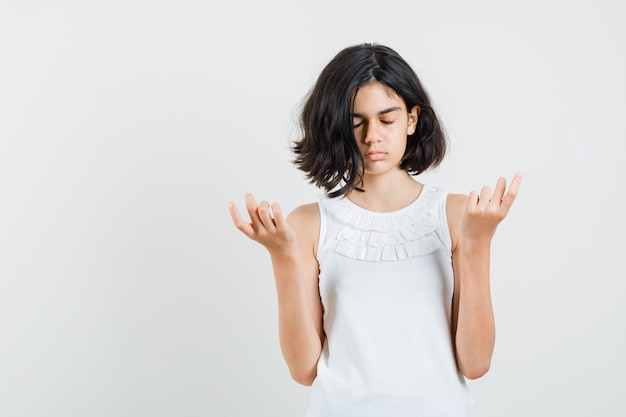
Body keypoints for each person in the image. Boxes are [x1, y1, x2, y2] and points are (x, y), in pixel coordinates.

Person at [229, 43, 521, 417]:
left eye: (387, 119)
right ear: (336, 124)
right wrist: (282, 256)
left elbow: (475, 363)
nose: (372, 137)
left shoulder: (458, 215)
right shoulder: (307, 224)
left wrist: (479, 242)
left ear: (412, 119)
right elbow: (303, 370)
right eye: (356, 121)